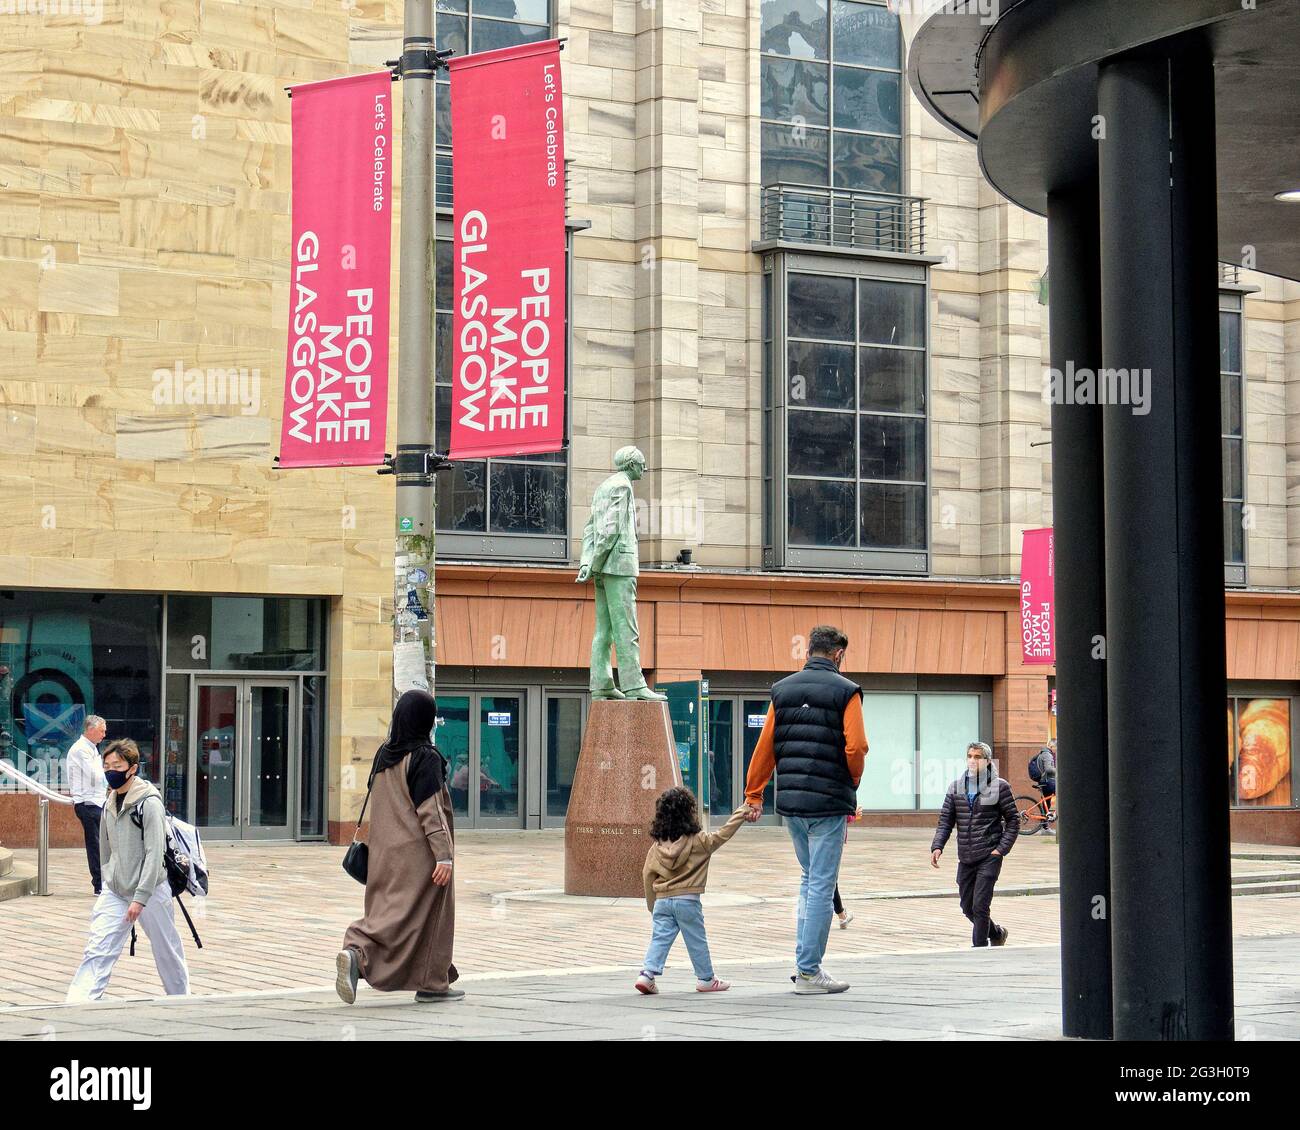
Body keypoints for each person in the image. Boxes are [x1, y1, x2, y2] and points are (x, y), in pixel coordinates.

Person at [744, 625, 868, 994]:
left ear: (809, 651)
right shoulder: (847, 692)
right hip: (828, 803)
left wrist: (754, 793)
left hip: (793, 805)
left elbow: (765, 746)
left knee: (807, 879)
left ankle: (804, 964)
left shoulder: (782, 690)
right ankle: (810, 972)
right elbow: (856, 748)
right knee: (821, 883)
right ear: (838, 654)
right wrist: (853, 783)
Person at [336, 689, 463, 1005]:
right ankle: (360, 952)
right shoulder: (425, 757)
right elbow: (430, 811)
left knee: (389, 911)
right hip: (419, 856)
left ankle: (430, 977)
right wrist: (443, 856)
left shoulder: (384, 754)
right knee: (427, 916)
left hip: (382, 853)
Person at [66, 738, 190, 1002]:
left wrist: (141, 896)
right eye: (107, 764)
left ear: (132, 768)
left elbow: (154, 853)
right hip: (116, 889)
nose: (110, 770)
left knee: (166, 948)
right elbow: (105, 849)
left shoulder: (148, 803)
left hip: (151, 890)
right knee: (98, 947)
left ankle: (181, 999)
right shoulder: (109, 801)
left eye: (117, 765)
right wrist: (108, 879)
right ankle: (79, 1002)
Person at [636, 787, 748, 995]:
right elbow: (723, 835)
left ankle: (647, 975)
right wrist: (741, 812)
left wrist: (653, 906)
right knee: (697, 940)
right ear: (690, 812)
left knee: (659, 939)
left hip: (662, 900)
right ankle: (706, 979)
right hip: (687, 900)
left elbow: (647, 876)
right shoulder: (699, 841)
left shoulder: (656, 848)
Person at [930, 741, 1019, 947]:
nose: (972, 760)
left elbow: (1013, 820)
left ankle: (978, 947)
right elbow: (946, 820)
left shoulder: (999, 786)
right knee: (967, 906)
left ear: (987, 761)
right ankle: (996, 933)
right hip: (966, 855)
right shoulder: (956, 787)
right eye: (970, 756)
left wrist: (1000, 850)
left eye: (977, 757)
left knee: (980, 906)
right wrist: (937, 846)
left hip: (990, 854)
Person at [66, 714, 108, 895]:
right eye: (101, 731)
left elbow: (99, 776)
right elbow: (96, 776)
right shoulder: (81, 749)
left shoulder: (92, 748)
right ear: (91, 730)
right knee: (95, 845)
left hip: (97, 801)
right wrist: (107, 773)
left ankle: (104, 881)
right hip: (87, 803)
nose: (104, 735)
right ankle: (99, 884)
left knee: (103, 844)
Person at [833, 806, 864, 929]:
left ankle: (841, 915)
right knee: (828, 878)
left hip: (806, 829)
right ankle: (841, 916)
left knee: (814, 876)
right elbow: (836, 813)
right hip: (830, 837)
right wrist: (852, 815)